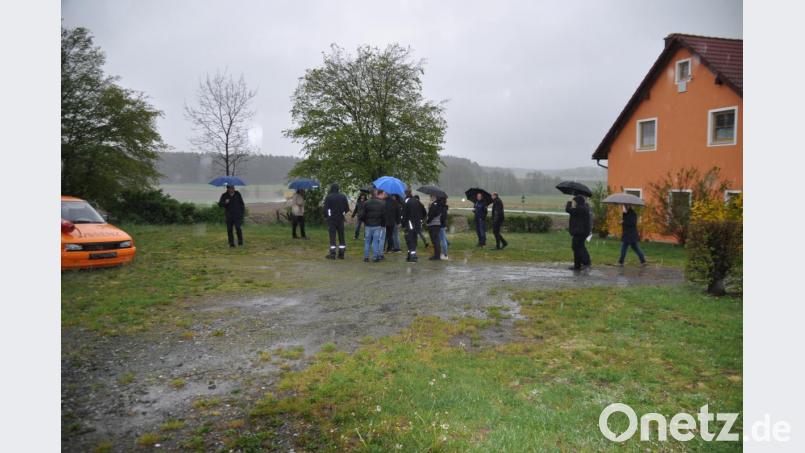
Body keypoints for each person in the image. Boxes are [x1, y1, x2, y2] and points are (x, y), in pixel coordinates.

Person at [323, 183, 350, 259]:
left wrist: (327, 216)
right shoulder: (343, 196)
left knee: (332, 237)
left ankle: (332, 253)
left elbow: (325, 209)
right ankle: (341, 254)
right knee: (341, 236)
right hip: (340, 219)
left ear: (331, 188)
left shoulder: (328, 197)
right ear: (338, 189)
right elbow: (347, 208)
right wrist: (342, 213)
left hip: (331, 220)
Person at [565, 195, 592, 270]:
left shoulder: (580, 209)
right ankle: (578, 265)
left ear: (578, 202)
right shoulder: (584, 208)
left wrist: (569, 201)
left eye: (575, 202)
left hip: (579, 232)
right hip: (582, 232)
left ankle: (586, 262)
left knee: (577, 247)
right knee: (578, 247)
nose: (575, 203)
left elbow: (568, 210)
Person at [361, 190, 386, 262]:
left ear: (370, 195)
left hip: (368, 225)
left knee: (367, 242)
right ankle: (375, 257)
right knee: (375, 241)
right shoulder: (382, 203)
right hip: (377, 225)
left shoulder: (366, 203)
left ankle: (366, 257)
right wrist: (383, 224)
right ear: (376, 194)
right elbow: (384, 215)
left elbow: (362, 214)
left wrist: (364, 221)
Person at [401, 188, 424, 262]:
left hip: (409, 224)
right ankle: (410, 255)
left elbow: (404, 214)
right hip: (417, 224)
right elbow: (423, 212)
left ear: (405, 193)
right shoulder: (417, 201)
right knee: (414, 239)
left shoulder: (406, 201)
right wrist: (420, 220)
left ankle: (413, 256)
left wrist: (403, 224)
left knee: (409, 240)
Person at [426, 195, 443, 260]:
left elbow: (432, 215)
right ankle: (436, 255)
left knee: (435, 241)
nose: (430, 198)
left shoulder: (435, 205)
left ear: (434, 197)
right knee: (436, 241)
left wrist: (428, 221)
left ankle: (437, 256)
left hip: (433, 224)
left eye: (431, 196)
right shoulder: (439, 204)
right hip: (437, 224)